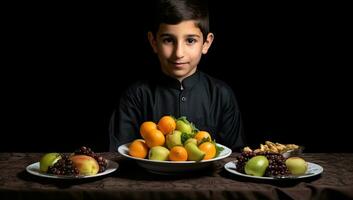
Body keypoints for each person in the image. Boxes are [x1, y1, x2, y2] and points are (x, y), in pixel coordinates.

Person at [109, 0, 245, 151]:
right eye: (168, 40)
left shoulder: (221, 94)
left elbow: (234, 155)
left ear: (206, 43)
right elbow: (120, 154)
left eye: (190, 40)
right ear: (153, 42)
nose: (178, 53)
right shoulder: (136, 95)